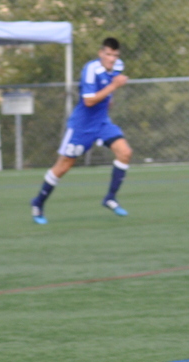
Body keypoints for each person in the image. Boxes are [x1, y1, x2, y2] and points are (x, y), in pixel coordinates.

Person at [30, 37, 132, 224]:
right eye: (108, 54)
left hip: (102, 123)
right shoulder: (91, 69)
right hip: (82, 126)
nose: (112, 59)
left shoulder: (118, 67)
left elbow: (109, 89)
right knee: (64, 166)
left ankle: (110, 198)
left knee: (125, 152)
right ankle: (38, 203)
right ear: (100, 53)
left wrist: (110, 98)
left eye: (115, 55)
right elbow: (89, 101)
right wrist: (113, 86)